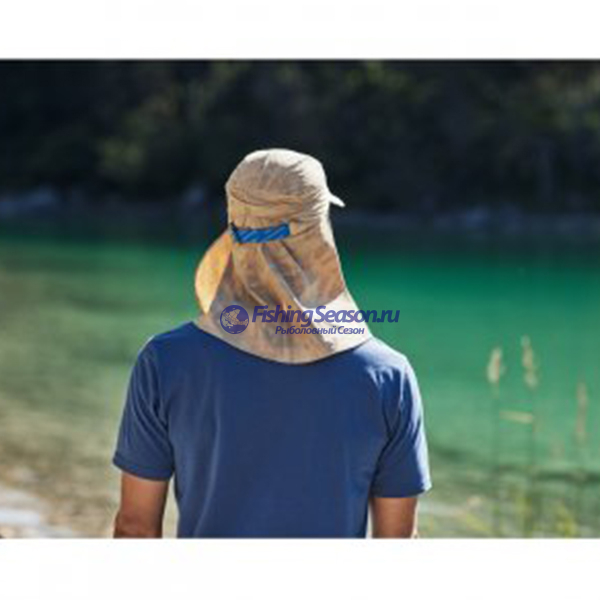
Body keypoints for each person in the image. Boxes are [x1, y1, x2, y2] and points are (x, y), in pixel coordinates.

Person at [112, 148, 432, 538]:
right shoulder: (388, 376)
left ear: (232, 221)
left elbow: (135, 528)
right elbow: (397, 541)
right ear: (318, 230)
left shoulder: (164, 361)